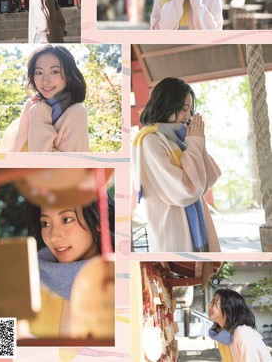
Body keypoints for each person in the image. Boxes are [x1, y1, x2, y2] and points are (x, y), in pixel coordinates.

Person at [131, 77, 221, 252]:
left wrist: (198, 144)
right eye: (183, 109)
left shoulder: (181, 138)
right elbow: (186, 191)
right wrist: (194, 146)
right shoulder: (150, 140)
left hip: (193, 223)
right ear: (166, 104)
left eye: (191, 110)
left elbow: (206, 182)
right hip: (173, 228)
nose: (188, 116)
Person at [27, 192, 115, 337]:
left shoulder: (124, 278)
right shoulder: (26, 278)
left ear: (99, 220)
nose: (54, 236)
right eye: (46, 224)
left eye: (67, 220)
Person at [0, 45, 89, 152]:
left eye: (54, 72)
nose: (45, 80)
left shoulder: (76, 112)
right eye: (39, 72)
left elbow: (65, 165)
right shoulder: (32, 104)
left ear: (69, 75)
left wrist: (39, 114)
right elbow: (13, 152)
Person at [209, 289, 272, 362]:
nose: (209, 307)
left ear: (228, 307)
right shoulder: (223, 334)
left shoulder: (243, 334)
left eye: (214, 303)